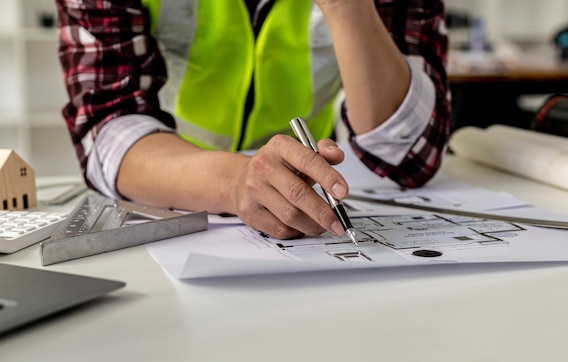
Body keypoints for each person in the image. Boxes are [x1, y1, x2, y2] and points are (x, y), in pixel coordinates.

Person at [55, 0, 450, 240]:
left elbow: (409, 157)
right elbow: (106, 129)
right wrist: (236, 181)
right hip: (168, 190)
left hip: (313, 192)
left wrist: (347, 7)